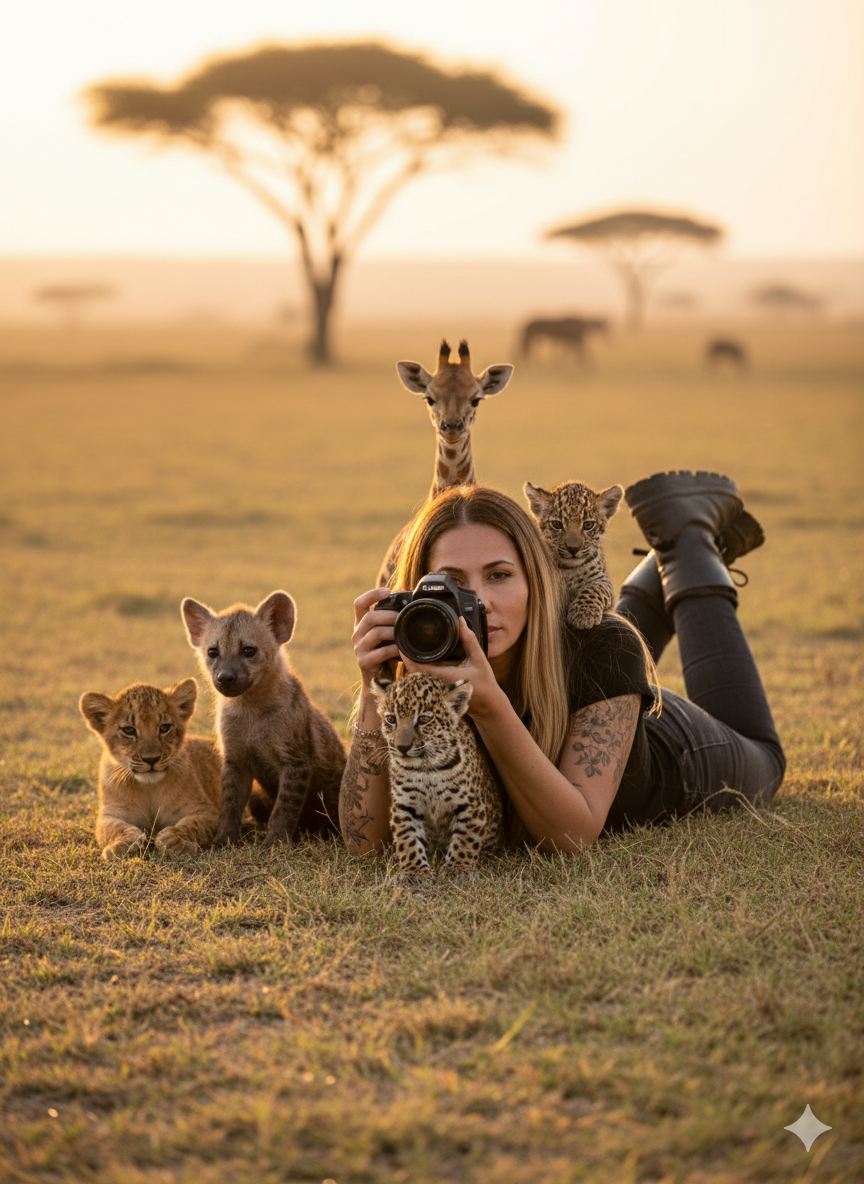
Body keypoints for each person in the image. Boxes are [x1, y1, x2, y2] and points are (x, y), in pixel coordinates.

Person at [339, 472, 785, 855]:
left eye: (500, 575)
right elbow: (365, 845)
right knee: (590, 625)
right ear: (418, 597)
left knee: (767, 759)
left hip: (682, 752)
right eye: (452, 583)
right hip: (592, 678)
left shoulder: (605, 650)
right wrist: (377, 686)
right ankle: (670, 547)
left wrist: (490, 705)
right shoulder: (421, 658)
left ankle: (687, 539)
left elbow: (571, 838)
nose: (483, 603)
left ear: (538, 577)